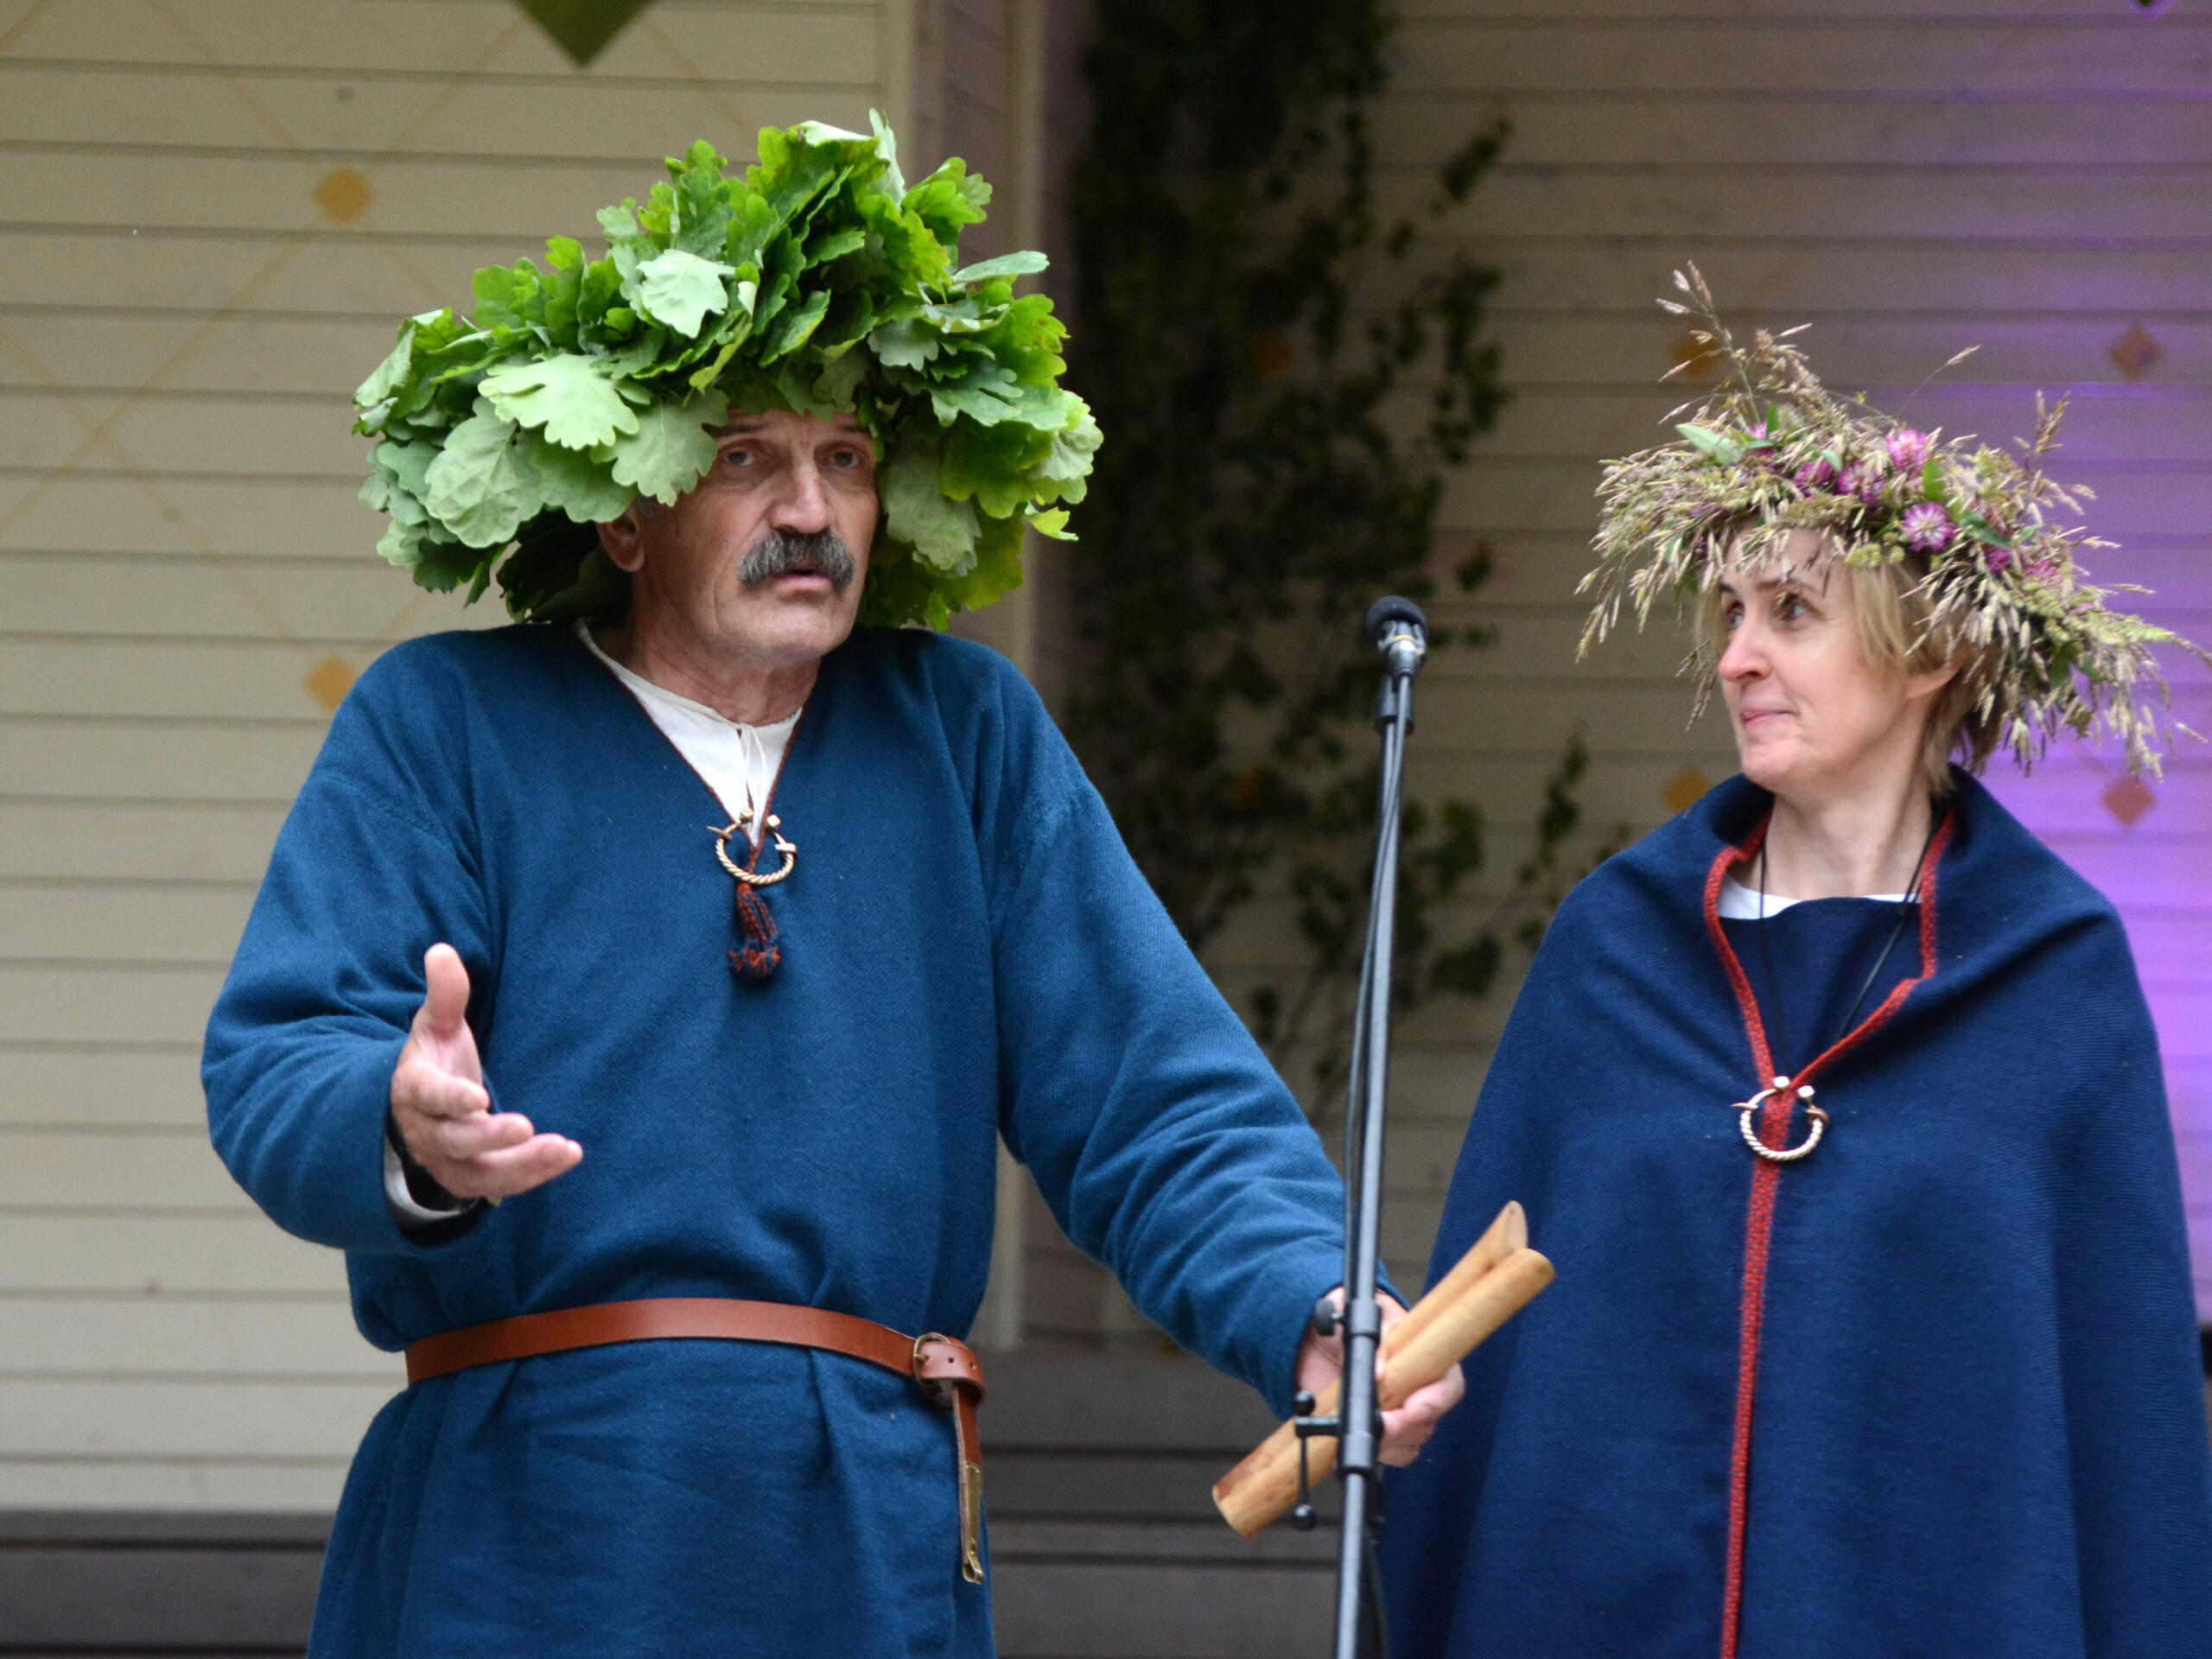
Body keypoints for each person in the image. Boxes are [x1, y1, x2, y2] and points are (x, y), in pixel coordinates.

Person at [203, 121, 1459, 1656]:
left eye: (844, 460)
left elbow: (1152, 1097)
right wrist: (403, 1128)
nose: (808, 508)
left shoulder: (964, 733)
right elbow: (280, 1058)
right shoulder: (447, 722)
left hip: (865, 1536)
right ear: (625, 509)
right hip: (525, 1540)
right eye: (744, 458)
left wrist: (1309, 1304)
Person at [1380, 270, 2212, 1659]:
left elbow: (2127, 1429)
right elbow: (1484, 1362)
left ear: (1930, 651)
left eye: (1791, 612)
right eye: (1730, 613)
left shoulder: (2054, 973)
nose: (1738, 659)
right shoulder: (1616, 944)